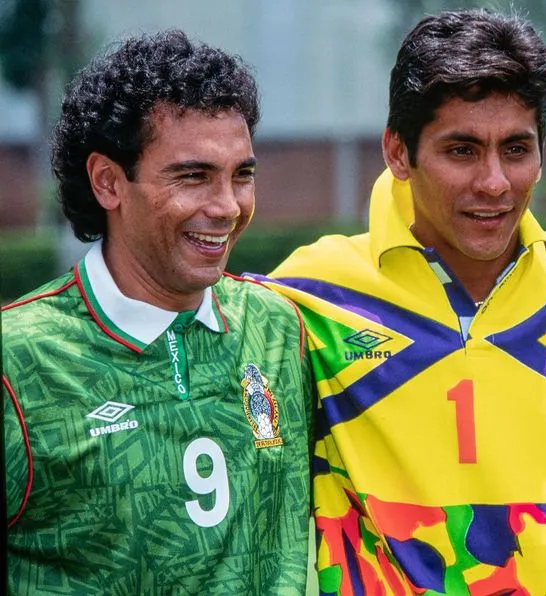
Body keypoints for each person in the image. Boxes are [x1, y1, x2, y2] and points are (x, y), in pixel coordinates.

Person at [254, 9, 546, 594]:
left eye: (516, 149)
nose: (494, 182)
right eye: (462, 150)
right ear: (398, 152)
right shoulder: (310, 294)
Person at [3, 30, 313, 594]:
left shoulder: (281, 327)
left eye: (242, 175)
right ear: (108, 182)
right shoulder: (18, 359)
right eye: (193, 176)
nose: (227, 206)